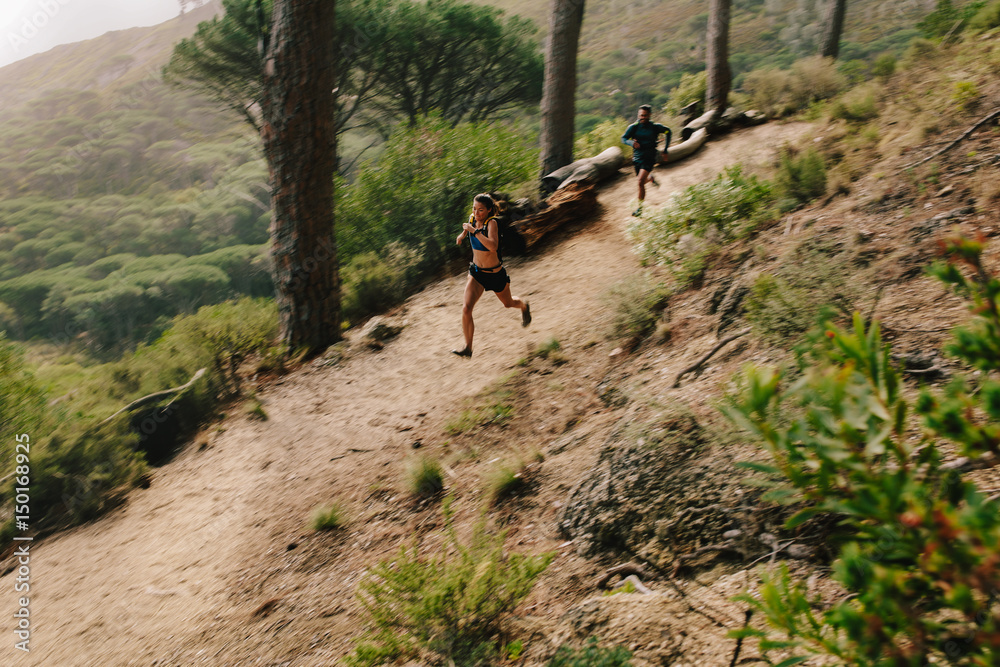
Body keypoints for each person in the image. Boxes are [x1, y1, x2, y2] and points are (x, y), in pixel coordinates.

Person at [452, 193, 531, 358]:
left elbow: (493, 246)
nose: (477, 212)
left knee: (508, 304)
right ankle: (468, 348)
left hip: (495, 274)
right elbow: (467, 228)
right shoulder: (473, 218)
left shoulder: (492, 223)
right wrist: (462, 235)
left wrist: (474, 232)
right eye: (474, 208)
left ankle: (524, 306)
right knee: (466, 308)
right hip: (476, 273)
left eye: (481, 210)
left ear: (488, 210)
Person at [621, 104, 671, 216]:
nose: (642, 117)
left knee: (639, 182)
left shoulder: (655, 127)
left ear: (650, 115)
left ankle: (640, 209)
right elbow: (623, 138)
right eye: (640, 115)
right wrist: (631, 142)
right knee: (642, 182)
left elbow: (668, 132)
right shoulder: (633, 127)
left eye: (645, 115)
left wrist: (666, 150)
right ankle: (651, 178)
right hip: (637, 158)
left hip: (649, 157)